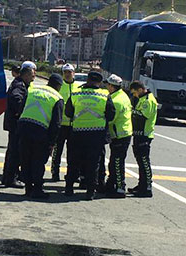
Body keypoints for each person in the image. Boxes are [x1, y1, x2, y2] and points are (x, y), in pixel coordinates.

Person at [64, 70, 114, 200]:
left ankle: (69, 188)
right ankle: (90, 192)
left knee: (74, 162)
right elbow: (111, 114)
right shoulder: (104, 95)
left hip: (77, 133)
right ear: (99, 83)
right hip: (96, 135)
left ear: (87, 80)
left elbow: (68, 112)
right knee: (93, 164)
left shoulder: (75, 94)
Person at [17, 73, 64, 199]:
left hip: (24, 126)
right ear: (59, 86)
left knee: (25, 159)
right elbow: (57, 124)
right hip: (40, 130)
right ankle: (37, 189)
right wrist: (52, 143)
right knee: (38, 161)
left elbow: (21, 107)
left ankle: (28, 188)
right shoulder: (57, 98)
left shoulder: (33, 90)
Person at [97, 74, 133, 197]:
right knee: (114, 162)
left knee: (117, 163)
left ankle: (120, 188)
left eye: (107, 84)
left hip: (119, 134)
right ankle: (111, 185)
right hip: (124, 132)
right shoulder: (123, 95)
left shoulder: (115, 101)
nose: (106, 86)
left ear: (112, 86)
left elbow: (111, 119)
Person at [2, 61, 36, 188]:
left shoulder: (20, 84)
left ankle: (7, 177)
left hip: (14, 123)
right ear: (26, 75)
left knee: (12, 151)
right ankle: (11, 178)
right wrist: (24, 111)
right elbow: (16, 99)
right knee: (15, 152)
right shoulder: (20, 86)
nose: (34, 77)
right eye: (32, 75)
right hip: (16, 124)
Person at [128, 81, 158, 197]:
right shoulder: (141, 98)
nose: (134, 95)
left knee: (144, 161)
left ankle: (147, 187)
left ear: (140, 89)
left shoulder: (148, 100)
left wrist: (130, 110)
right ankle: (141, 185)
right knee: (140, 161)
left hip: (144, 134)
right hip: (138, 134)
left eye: (135, 93)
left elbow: (143, 116)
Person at [50, 63, 77, 182]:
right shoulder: (60, 86)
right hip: (61, 125)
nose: (67, 74)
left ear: (73, 73)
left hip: (73, 125)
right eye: (65, 72)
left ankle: (71, 174)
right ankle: (54, 172)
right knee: (57, 150)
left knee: (72, 152)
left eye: (69, 72)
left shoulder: (78, 87)